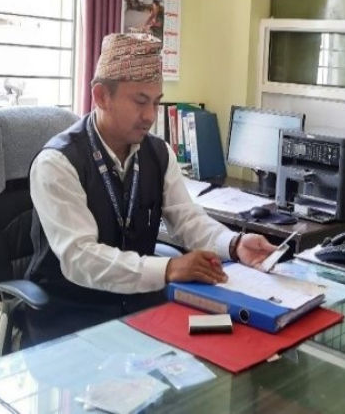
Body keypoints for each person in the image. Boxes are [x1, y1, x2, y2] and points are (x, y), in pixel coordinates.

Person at [24, 33, 276, 345]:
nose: (150, 116)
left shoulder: (157, 153)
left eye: (156, 103)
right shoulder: (58, 163)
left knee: (223, 350)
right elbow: (81, 259)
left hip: (139, 308)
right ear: (101, 96)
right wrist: (169, 268)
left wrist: (234, 244)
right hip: (72, 314)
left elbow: (187, 220)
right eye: (140, 101)